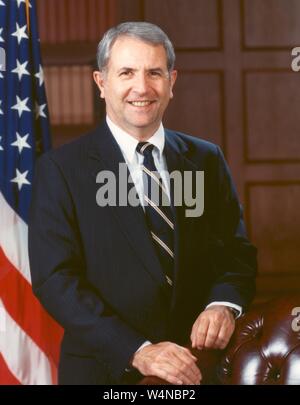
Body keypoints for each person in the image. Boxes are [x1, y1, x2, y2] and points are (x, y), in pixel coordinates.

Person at [28, 22, 257, 385]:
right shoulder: (62, 170)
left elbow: (236, 255)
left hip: (199, 368)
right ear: (102, 83)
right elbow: (55, 280)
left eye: (154, 72)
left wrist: (223, 304)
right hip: (105, 373)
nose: (142, 87)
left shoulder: (205, 159)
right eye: (126, 72)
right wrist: (138, 349)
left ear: (172, 82)